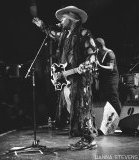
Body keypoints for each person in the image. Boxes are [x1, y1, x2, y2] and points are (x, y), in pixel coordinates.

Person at [33, 6, 98, 150]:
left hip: (80, 80)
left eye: (63, 18)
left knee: (82, 108)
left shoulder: (84, 33)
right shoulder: (65, 35)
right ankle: (84, 137)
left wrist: (84, 65)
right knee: (73, 108)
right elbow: (52, 33)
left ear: (72, 19)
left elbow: (92, 55)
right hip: (69, 79)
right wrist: (43, 26)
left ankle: (89, 138)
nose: (61, 21)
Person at [95, 38, 121, 115]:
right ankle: (111, 119)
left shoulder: (110, 53)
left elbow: (110, 68)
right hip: (105, 79)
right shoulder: (99, 53)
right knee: (107, 99)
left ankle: (119, 118)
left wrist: (99, 66)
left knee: (114, 98)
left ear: (98, 46)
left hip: (112, 79)